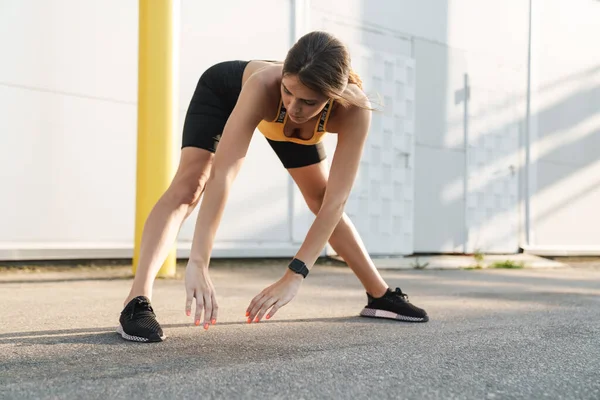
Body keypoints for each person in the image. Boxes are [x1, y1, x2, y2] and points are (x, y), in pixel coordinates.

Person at [117, 31, 428, 343]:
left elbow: (336, 202)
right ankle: (136, 302)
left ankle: (379, 296)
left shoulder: (355, 110)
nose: (294, 106)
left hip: (289, 131)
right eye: (289, 91)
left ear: (333, 97)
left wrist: (294, 275)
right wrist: (198, 260)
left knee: (320, 199)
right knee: (191, 185)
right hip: (223, 93)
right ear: (283, 77)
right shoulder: (264, 86)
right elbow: (223, 174)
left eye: (309, 101)